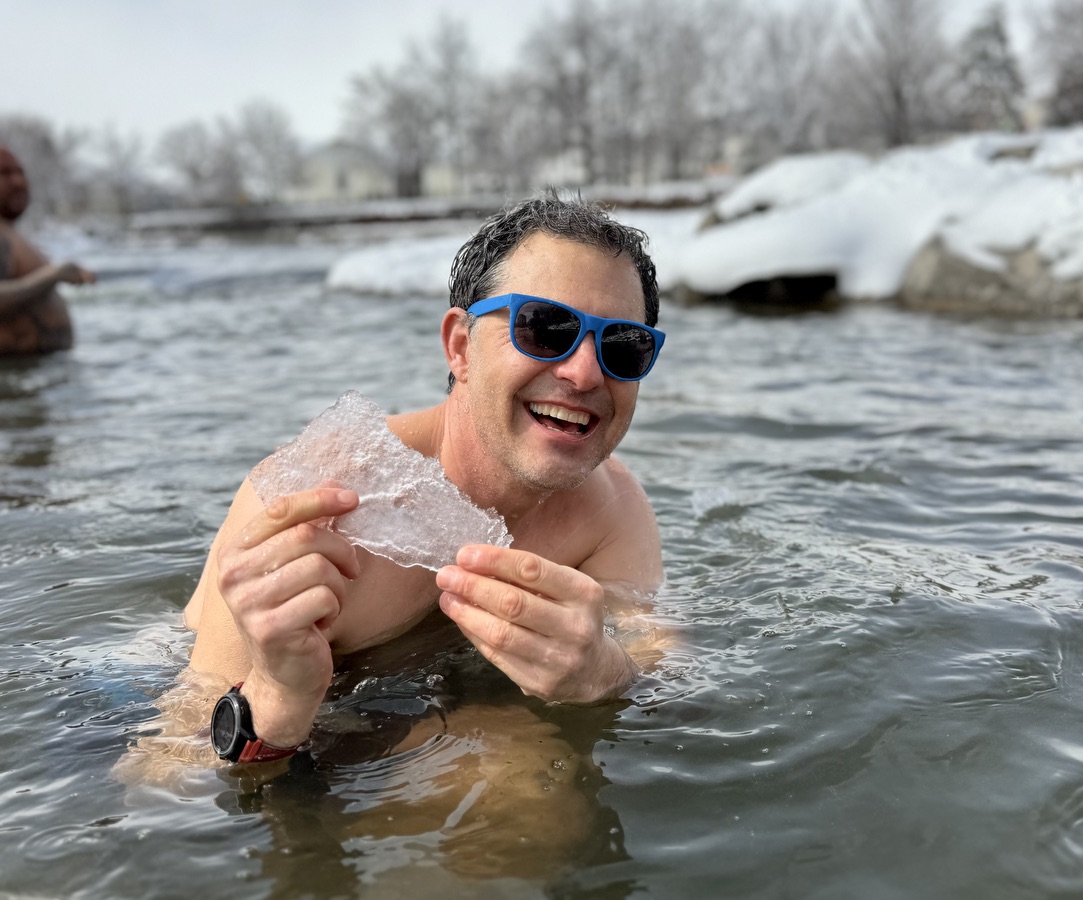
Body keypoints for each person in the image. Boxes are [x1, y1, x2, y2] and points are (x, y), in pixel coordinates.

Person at [183, 192, 667, 766]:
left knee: (529, 770)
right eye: (545, 329)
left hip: (435, 713)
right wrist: (276, 696)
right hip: (265, 740)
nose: (585, 373)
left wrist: (604, 674)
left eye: (623, 347)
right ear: (461, 347)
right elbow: (168, 770)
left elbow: (669, 680)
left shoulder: (610, 508)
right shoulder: (323, 501)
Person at [0, 143, 94, 355]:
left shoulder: (10, 234)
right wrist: (53, 276)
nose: (19, 182)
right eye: (4, 173)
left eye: (20, 172)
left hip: (36, 370)